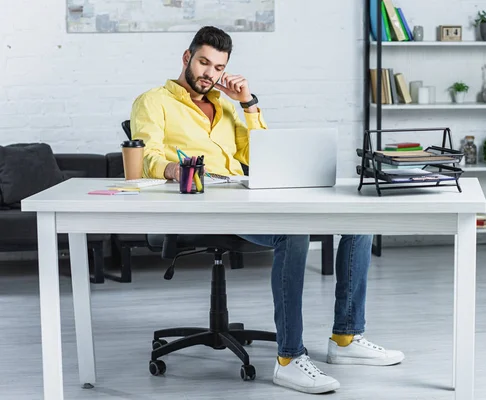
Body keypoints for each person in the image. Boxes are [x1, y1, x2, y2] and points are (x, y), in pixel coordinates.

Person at [131, 26, 404, 394]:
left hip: (241, 200)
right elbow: (145, 155)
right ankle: (290, 359)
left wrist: (248, 104)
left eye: (218, 66)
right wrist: (173, 169)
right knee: (293, 233)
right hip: (198, 206)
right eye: (203, 63)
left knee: (359, 222)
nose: (209, 74)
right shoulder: (153, 101)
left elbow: (257, 154)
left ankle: (346, 338)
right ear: (187, 58)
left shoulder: (226, 105)